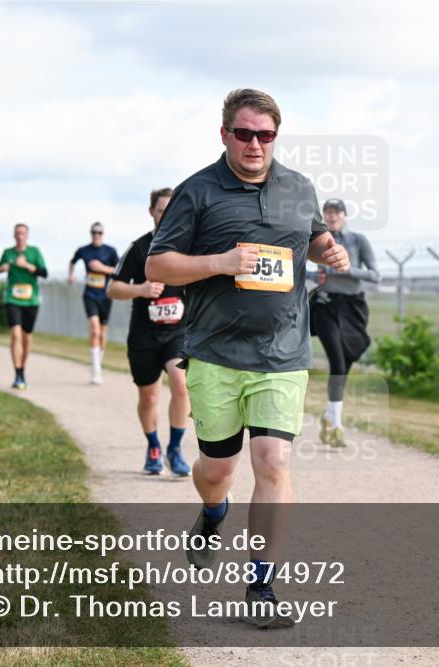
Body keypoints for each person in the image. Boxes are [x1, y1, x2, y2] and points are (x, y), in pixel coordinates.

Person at [146, 88, 349, 628]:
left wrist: (327, 249)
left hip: (283, 351)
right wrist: (221, 261)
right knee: (216, 469)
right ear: (225, 135)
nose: (255, 144)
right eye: (245, 133)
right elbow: (160, 267)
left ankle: (261, 585)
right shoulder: (198, 192)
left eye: (265, 135)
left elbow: (309, 238)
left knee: (273, 463)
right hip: (214, 353)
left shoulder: (297, 187)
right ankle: (214, 513)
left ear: (276, 137)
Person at [108, 188, 191, 477]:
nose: (165, 215)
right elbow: (113, 288)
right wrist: (140, 289)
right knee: (150, 397)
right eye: (160, 210)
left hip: (177, 333)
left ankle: (176, 449)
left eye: (171, 210)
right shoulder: (139, 248)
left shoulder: (187, 247)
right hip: (144, 335)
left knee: (181, 385)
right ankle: (153, 446)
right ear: (151, 212)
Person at [310, 198, 380, 447]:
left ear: (345, 216)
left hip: (353, 307)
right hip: (326, 304)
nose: (332, 217)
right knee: (337, 360)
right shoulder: (318, 240)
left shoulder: (358, 241)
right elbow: (308, 270)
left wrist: (347, 269)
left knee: (348, 357)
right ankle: (337, 425)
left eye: (336, 212)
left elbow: (374, 274)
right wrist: (317, 274)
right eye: (328, 213)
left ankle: (329, 414)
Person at [0, 223, 48, 390]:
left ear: (27, 235)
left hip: (31, 300)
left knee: (27, 338)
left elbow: (44, 273)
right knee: (16, 335)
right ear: (14, 235)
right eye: (17, 233)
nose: (20, 236)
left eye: (23, 233)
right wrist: (6, 266)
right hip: (13, 299)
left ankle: (23, 369)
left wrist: (27, 265)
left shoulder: (34, 252)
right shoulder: (8, 252)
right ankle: (17, 372)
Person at [68, 222, 119, 385]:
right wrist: (71, 275)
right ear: (90, 234)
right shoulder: (84, 250)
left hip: (106, 296)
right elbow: (72, 261)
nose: (96, 235)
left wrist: (101, 268)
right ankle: (95, 368)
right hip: (89, 294)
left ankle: (98, 362)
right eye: (94, 233)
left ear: (103, 234)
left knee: (103, 332)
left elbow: (118, 270)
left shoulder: (110, 251)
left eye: (99, 233)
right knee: (95, 330)